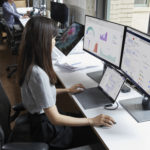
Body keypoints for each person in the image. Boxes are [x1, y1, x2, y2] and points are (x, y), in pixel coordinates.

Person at [18, 16, 116, 150]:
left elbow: (42, 93)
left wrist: (67, 90)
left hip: (39, 120)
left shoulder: (29, 61)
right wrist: (92, 121)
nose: (54, 42)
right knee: (97, 132)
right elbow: (55, 119)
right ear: (43, 42)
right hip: (46, 129)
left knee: (84, 118)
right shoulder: (38, 73)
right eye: (53, 38)